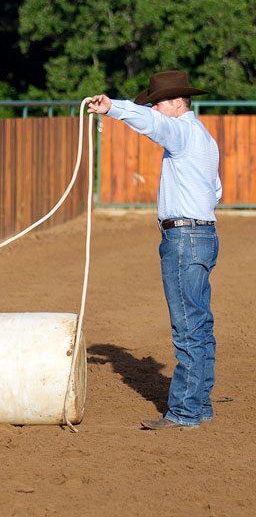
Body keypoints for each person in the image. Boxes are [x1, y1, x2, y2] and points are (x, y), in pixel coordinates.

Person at [88, 70, 222, 430]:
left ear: (178, 102)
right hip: (204, 233)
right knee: (200, 323)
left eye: (159, 102)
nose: (156, 108)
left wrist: (112, 107)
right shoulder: (204, 139)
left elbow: (151, 124)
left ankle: (185, 412)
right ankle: (199, 403)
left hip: (185, 237)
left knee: (189, 326)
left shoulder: (179, 132)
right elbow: (216, 192)